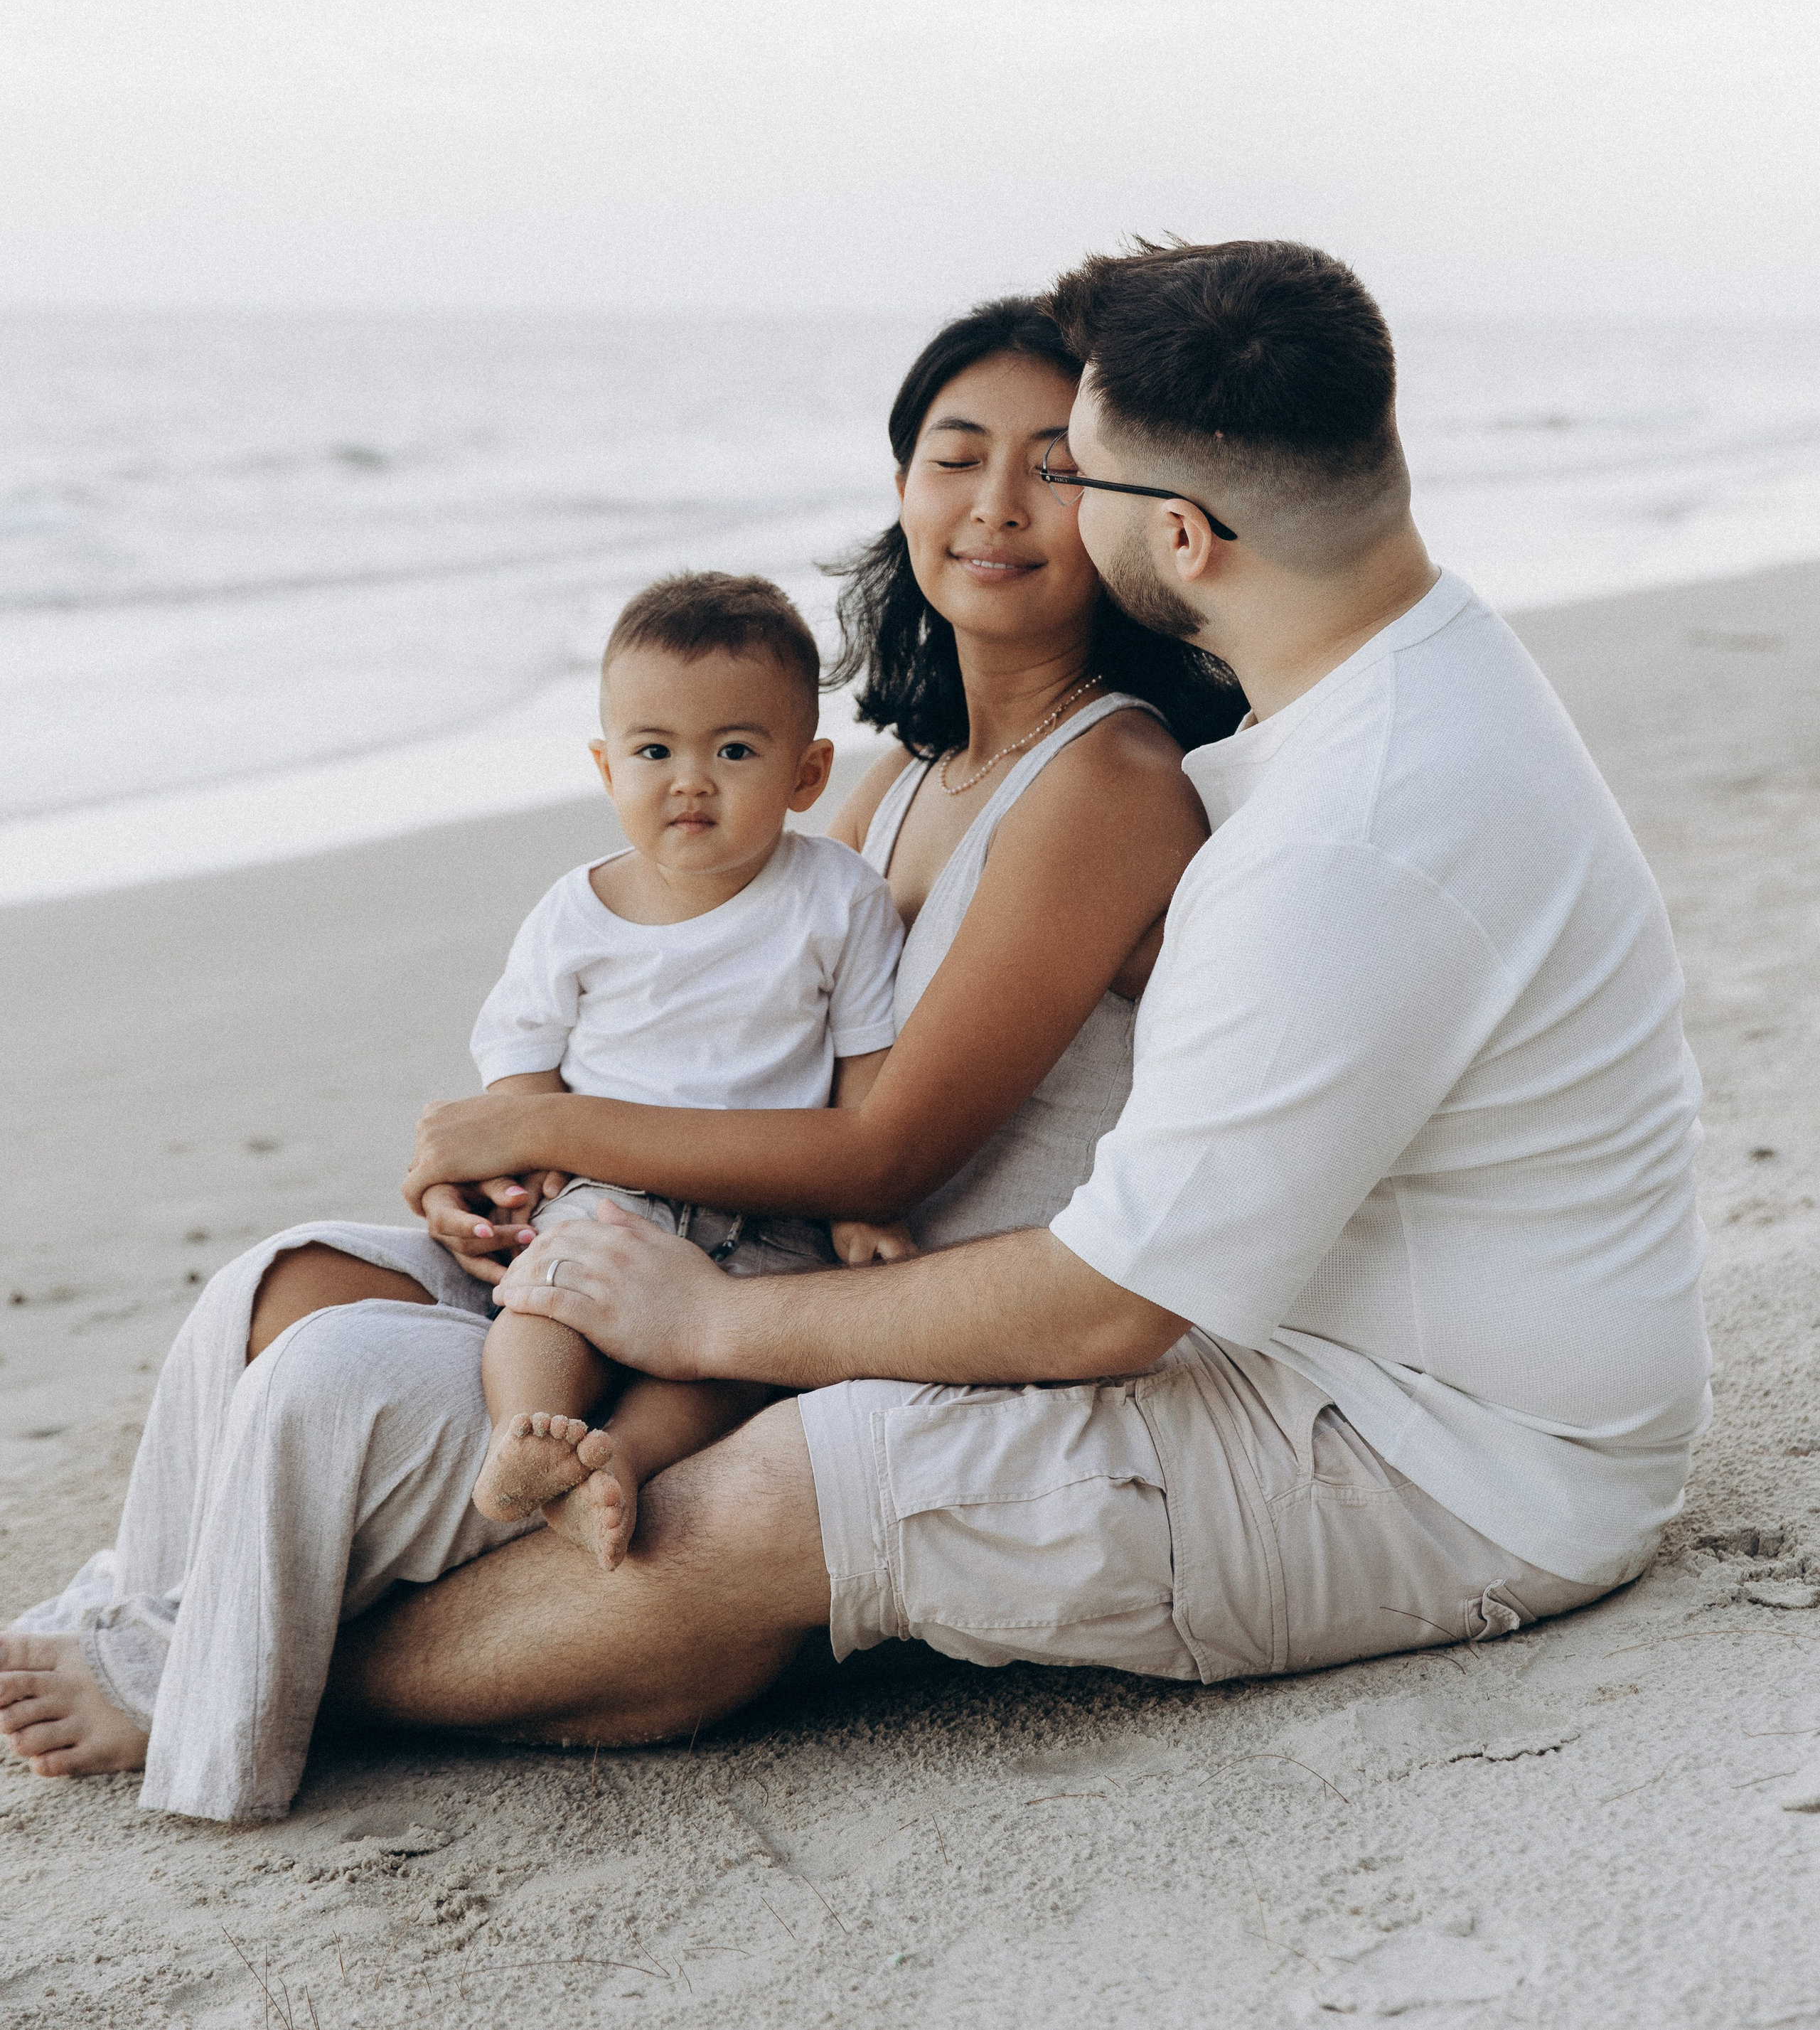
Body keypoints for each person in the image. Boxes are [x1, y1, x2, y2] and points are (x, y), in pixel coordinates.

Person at [326, 236, 1709, 1749]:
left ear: (1174, 535)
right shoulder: (1394, 687)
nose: (1017, 503)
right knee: (381, 1314)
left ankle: (285, 1682)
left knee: (761, 1495)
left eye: (1076, 471)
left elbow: (1108, 1302)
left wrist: (716, 1317)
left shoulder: (1346, 830)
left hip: (1450, 1461)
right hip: (1316, 1342)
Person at [1, 294, 1236, 1816]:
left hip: (825, 1301)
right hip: (645, 1239)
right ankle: (158, 1613)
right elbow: (708, 1017)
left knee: (329, 1375)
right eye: (949, 454)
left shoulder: (1105, 775)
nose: (991, 504)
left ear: (1120, 509)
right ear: (900, 486)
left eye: (1050, 465)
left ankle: (206, 1681)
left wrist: (557, 1119)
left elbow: (881, 1152)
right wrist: (496, 1166)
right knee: (279, 1282)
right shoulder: (891, 781)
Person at [464, 570, 907, 1573]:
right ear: (605, 764)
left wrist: (862, 1206)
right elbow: (520, 1064)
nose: (689, 779)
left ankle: (619, 1458)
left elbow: (866, 1060)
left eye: (735, 750)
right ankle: (525, 1434)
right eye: (653, 750)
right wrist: (533, 1180)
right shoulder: (574, 914)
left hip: (773, 1208)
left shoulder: (837, 895)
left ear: (809, 772)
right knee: (545, 1298)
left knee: (735, 1362)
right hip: (614, 1196)